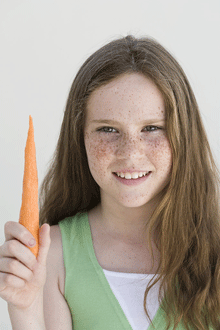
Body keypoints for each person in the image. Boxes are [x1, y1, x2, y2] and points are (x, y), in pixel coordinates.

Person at [0, 34, 220, 330]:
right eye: (107, 129)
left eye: (152, 128)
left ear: (184, 136)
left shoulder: (214, 250)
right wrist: (24, 309)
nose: (131, 152)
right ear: (81, 138)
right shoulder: (53, 256)